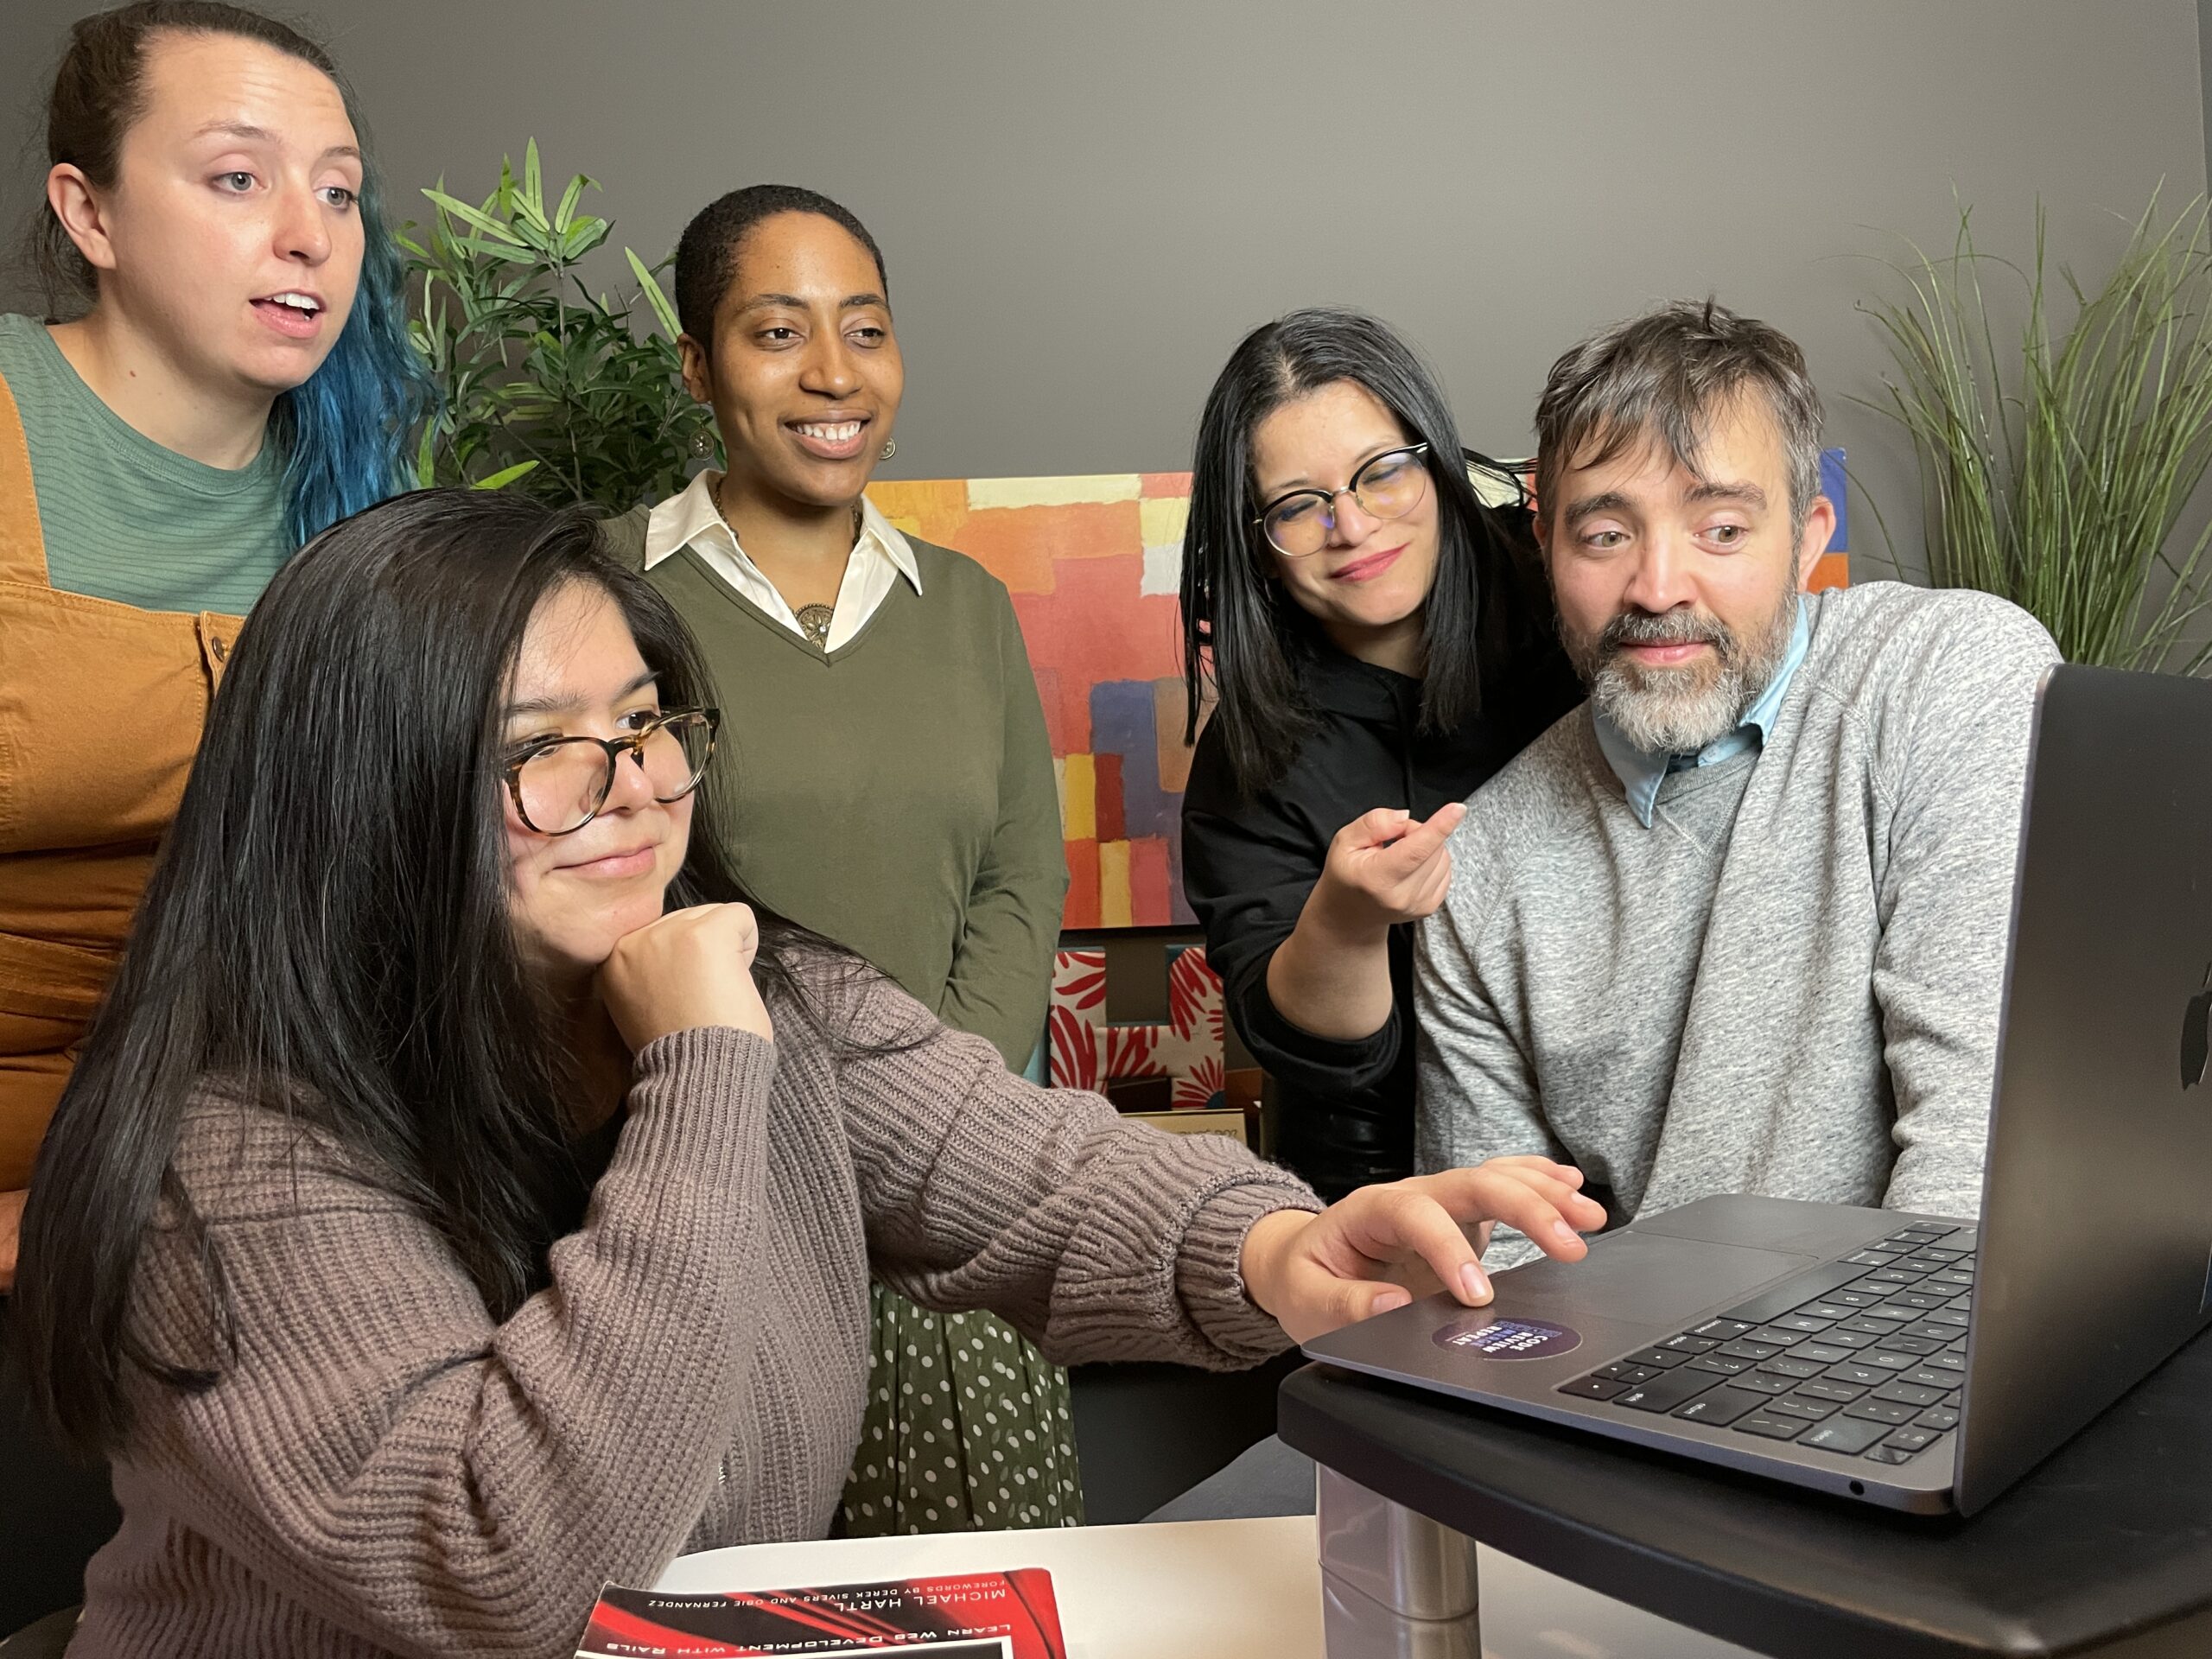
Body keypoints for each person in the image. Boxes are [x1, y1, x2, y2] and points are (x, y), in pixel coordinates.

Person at [10, 489, 1606, 1659]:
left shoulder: (764, 987)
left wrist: (1274, 1245)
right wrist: (701, 1068)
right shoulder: (228, 1157)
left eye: (647, 722)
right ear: (363, 794)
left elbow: (1029, 1168)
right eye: (542, 745)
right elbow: (509, 1568)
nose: (632, 787)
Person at [603, 185, 1078, 1535]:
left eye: (865, 330)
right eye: (776, 331)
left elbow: (1016, 879)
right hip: (714, 1190)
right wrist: (809, 1135)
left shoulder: (969, 608)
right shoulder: (602, 596)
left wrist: (942, 1122)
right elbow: (595, 886)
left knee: (989, 1586)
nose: (833, 375)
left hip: (953, 1196)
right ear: (698, 367)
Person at [1414, 299, 2061, 1266]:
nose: (1658, 586)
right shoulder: (1477, 866)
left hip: (1929, 1371)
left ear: (1805, 539)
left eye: (1720, 528)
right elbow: (1504, 1272)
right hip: (1641, 1390)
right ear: (1547, 547)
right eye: (1604, 536)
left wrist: (1877, 1401)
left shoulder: (1949, 677)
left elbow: (1978, 1144)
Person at [0, 0, 425, 1291]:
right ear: (92, 215)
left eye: (340, 193)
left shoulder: (371, 497)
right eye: (238, 178)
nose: (310, 234)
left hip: (253, 1179)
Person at [1176, 309, 1583, 1202]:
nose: (1351, 527)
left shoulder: (1573, 603)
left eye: (1382, 474)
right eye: (1297, 505)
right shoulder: (1249, 759)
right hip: (1385, 1187)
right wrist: (1346, 922)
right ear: (1256, 543)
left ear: (1434, 461)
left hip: (1631, 1138)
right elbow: (1319, 1052)